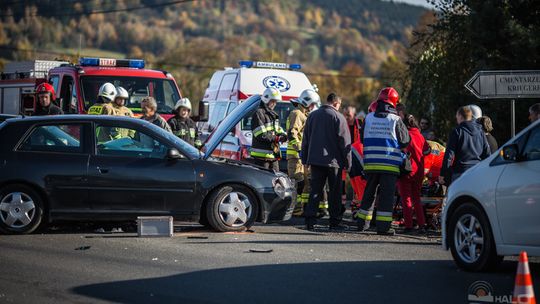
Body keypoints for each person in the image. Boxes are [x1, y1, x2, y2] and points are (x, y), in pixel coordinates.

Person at [355, 87, 410, 235]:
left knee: (368, 194)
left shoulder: (368, 118)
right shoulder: (396, 120)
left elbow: (361, 138)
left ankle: (362, 224)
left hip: (371, 163)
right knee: (386, 197)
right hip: (389, 165)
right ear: (393, 103)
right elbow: (405, 141)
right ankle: (383, 228)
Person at [301, 93, 351, 231]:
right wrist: (348, 163)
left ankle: (310, 221)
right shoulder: (338, 117)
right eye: (339, 105)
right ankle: (334, 222)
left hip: (315, 161)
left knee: (315, 191)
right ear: (336, 103)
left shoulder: (312, 116)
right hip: (333, 162)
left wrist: (304, 158)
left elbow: (305, 139)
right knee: (334, 193)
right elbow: (345, 142)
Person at [286, 89, 320, 216]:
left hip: (301, 157)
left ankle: (301, 209)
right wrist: (299, 150)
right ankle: (294, 209)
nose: (312, 107)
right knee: (296, 183)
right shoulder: (297, 114)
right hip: (296, 156)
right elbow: (292, 133)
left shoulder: (303, 114)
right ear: (307, 103)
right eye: (312, 104)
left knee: (305, 184)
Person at [439, 106, 490, 186]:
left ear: (460, 116)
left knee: (458, 197)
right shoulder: (480, 132)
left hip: (460, 172)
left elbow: (449, 155)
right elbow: (487, 153)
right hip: (476, 172)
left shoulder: (457, 131)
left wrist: (443, 173)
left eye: (456, 116)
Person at [397, 114, 430, 234]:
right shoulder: (420, 136)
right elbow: (427, 150)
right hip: (419, 171)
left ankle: (409, 225)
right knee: (416, 198)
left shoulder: (404, 135)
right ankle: (422, 224)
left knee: (406, 198)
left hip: (406, 170)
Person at [250, 87, 287, 171]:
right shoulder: (259, 113)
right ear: (266, 99)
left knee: (276, 179)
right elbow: (260, 134)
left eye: (276, 102)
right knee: (262, 181)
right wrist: (277, 138)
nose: (274, 104)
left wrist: (283, 135)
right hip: (261, 157)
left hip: (272, 156)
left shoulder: (273, 114)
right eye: (273, 101)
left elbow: (277, 129)